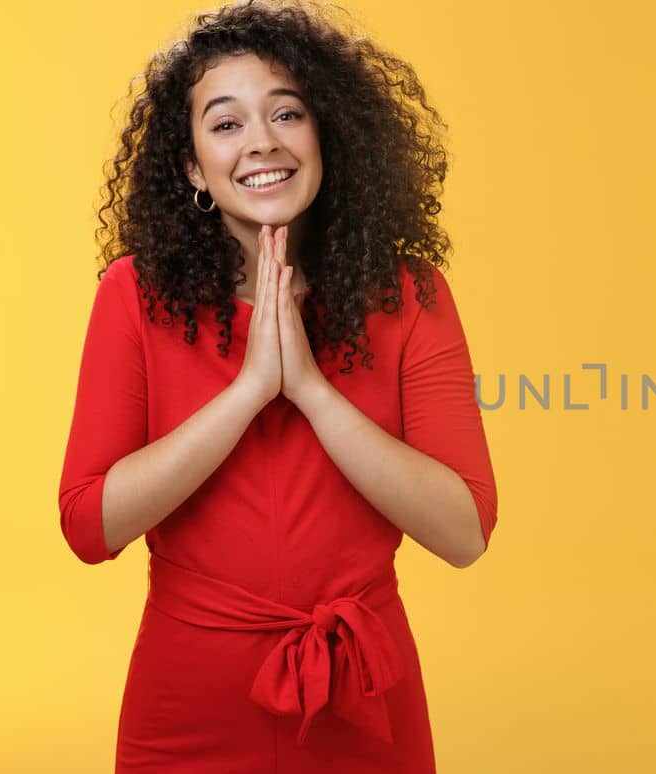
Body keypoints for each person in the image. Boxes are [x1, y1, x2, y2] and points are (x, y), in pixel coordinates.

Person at [56, 1, 498, 770]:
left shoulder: (411, 295)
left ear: (325, 135)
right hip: (189, 703)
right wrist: (252, 389)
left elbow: (463, 533)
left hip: (366, 699)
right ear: (193, 166)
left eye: (286, 113)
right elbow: (90, 526)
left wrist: (315, 393)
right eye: (225, 124)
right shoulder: (133, 295)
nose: (261, 141)